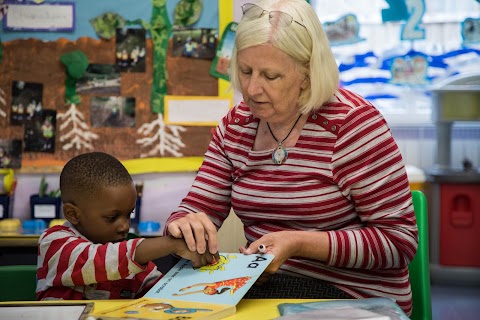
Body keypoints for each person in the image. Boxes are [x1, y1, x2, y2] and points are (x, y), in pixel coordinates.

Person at [164, 0, 418, 316]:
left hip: (355, 298)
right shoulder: (236, 126)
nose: (251, 88)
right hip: (268, 290)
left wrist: (299, 244)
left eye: (270, 76)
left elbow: (399, 243)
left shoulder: (353, 127)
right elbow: (198, 207)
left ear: (308, 75)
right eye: (245, 71)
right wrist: (184, 224)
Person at [36, 152, 215, 300]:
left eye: (129, 214)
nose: (124, 226)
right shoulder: (54, 243)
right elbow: (99, 260)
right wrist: (172, 243)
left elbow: (162, 294)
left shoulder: (131, 257)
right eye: (112, 217)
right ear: (73, 214)